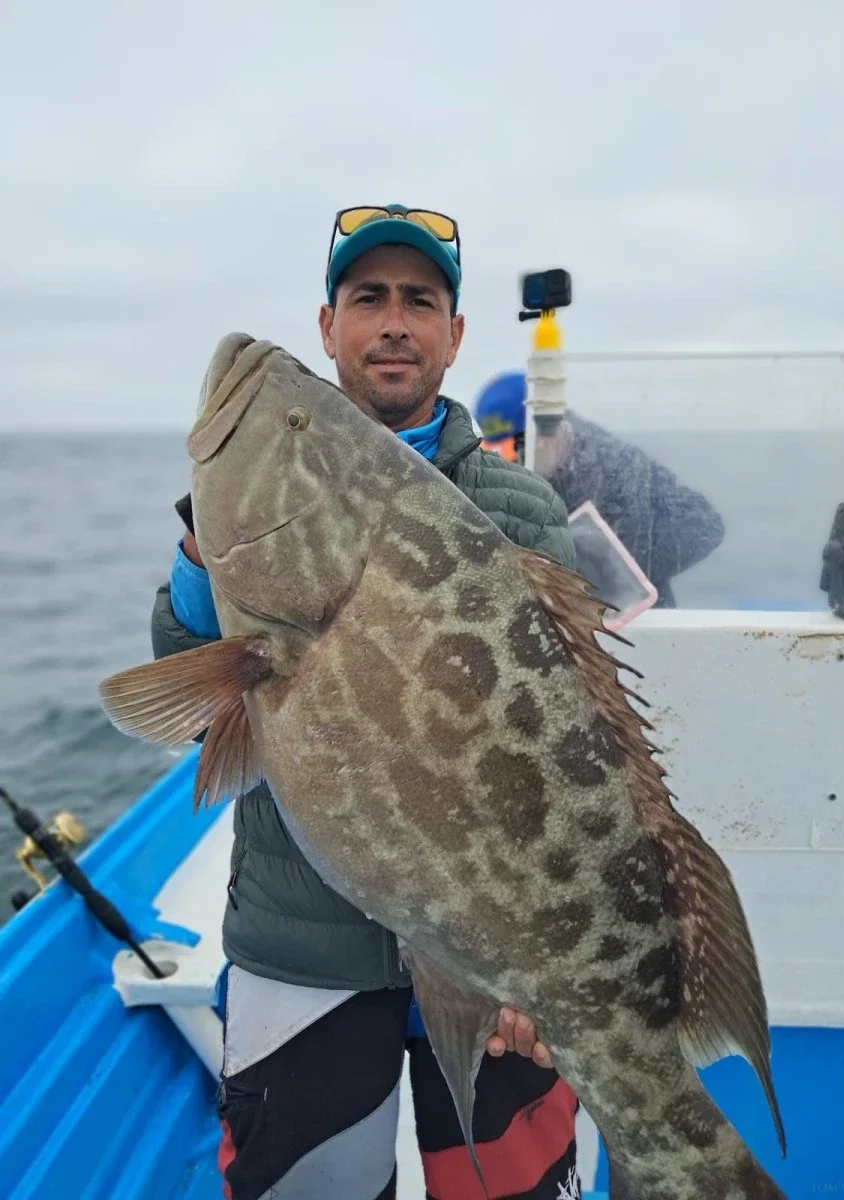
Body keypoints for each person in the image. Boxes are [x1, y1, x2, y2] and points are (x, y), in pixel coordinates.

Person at [151, 205, 584, 1200]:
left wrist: (546, 963)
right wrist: (203, 553)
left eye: (419, 301)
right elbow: (191, 704)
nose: (394, 322)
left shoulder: (521, 508)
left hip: (492, 954)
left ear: (454, 334)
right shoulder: (247, 510)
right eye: (368, 298)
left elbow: (571, 745)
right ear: (329, 325)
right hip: (301, 947)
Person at [474, 370, 725, 606]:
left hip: (635, 621)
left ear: (549, 429)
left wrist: (615, 572)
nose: (513, 464)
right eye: (498, 455)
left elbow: (705, 524)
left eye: (518, 450)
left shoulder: (610, 466)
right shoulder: (530, 472)